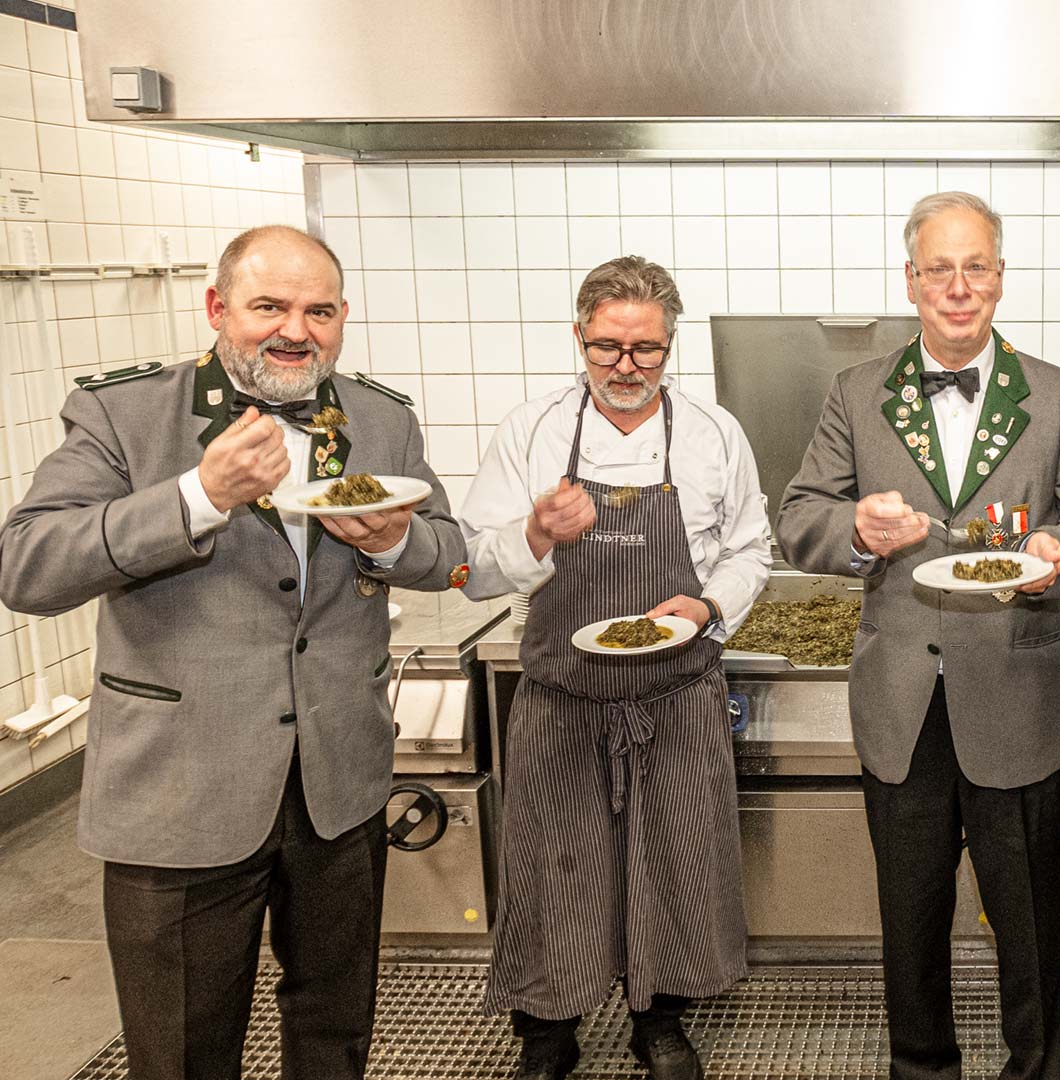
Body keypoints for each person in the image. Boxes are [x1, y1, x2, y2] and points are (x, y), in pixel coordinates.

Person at [0, 224, 467, 1080]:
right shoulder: (127, 414)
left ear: (343, 317)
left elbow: (447, 554)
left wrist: (396, 542)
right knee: (183, 1048)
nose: (296, 329)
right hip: (180, 792)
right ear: (218, 308)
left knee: (335, 1027)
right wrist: (196, 496)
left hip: (337, 783)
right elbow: (28, 567)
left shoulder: (380, 419)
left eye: (318, 311)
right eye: (269, 306)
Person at [779, 191, 1060, 1080]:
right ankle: (922, 1069)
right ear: (911, 281)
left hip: (1019, 697)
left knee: (1030, 923)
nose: (958, 288)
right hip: (902, 705)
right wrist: (857, 530)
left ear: (999, 278)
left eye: (975, 268)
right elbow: (800, 519)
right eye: (940, 270)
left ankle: (1035, 1068)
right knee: (912, 922)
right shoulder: (856, 394)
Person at [459, 255, 769, 1080]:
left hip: (677, 695)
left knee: (675, 862)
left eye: (646, 350)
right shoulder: (531, 431)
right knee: (553, 869)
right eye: (607, 348)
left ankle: (658, 1022)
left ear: (672, 345)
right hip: (562, 694)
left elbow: (751, 549)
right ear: (579, 337)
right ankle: (546, 1032)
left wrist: (706, 607)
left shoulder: (712, 434)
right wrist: (535, 534)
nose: (626, 367)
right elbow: (472, 567)